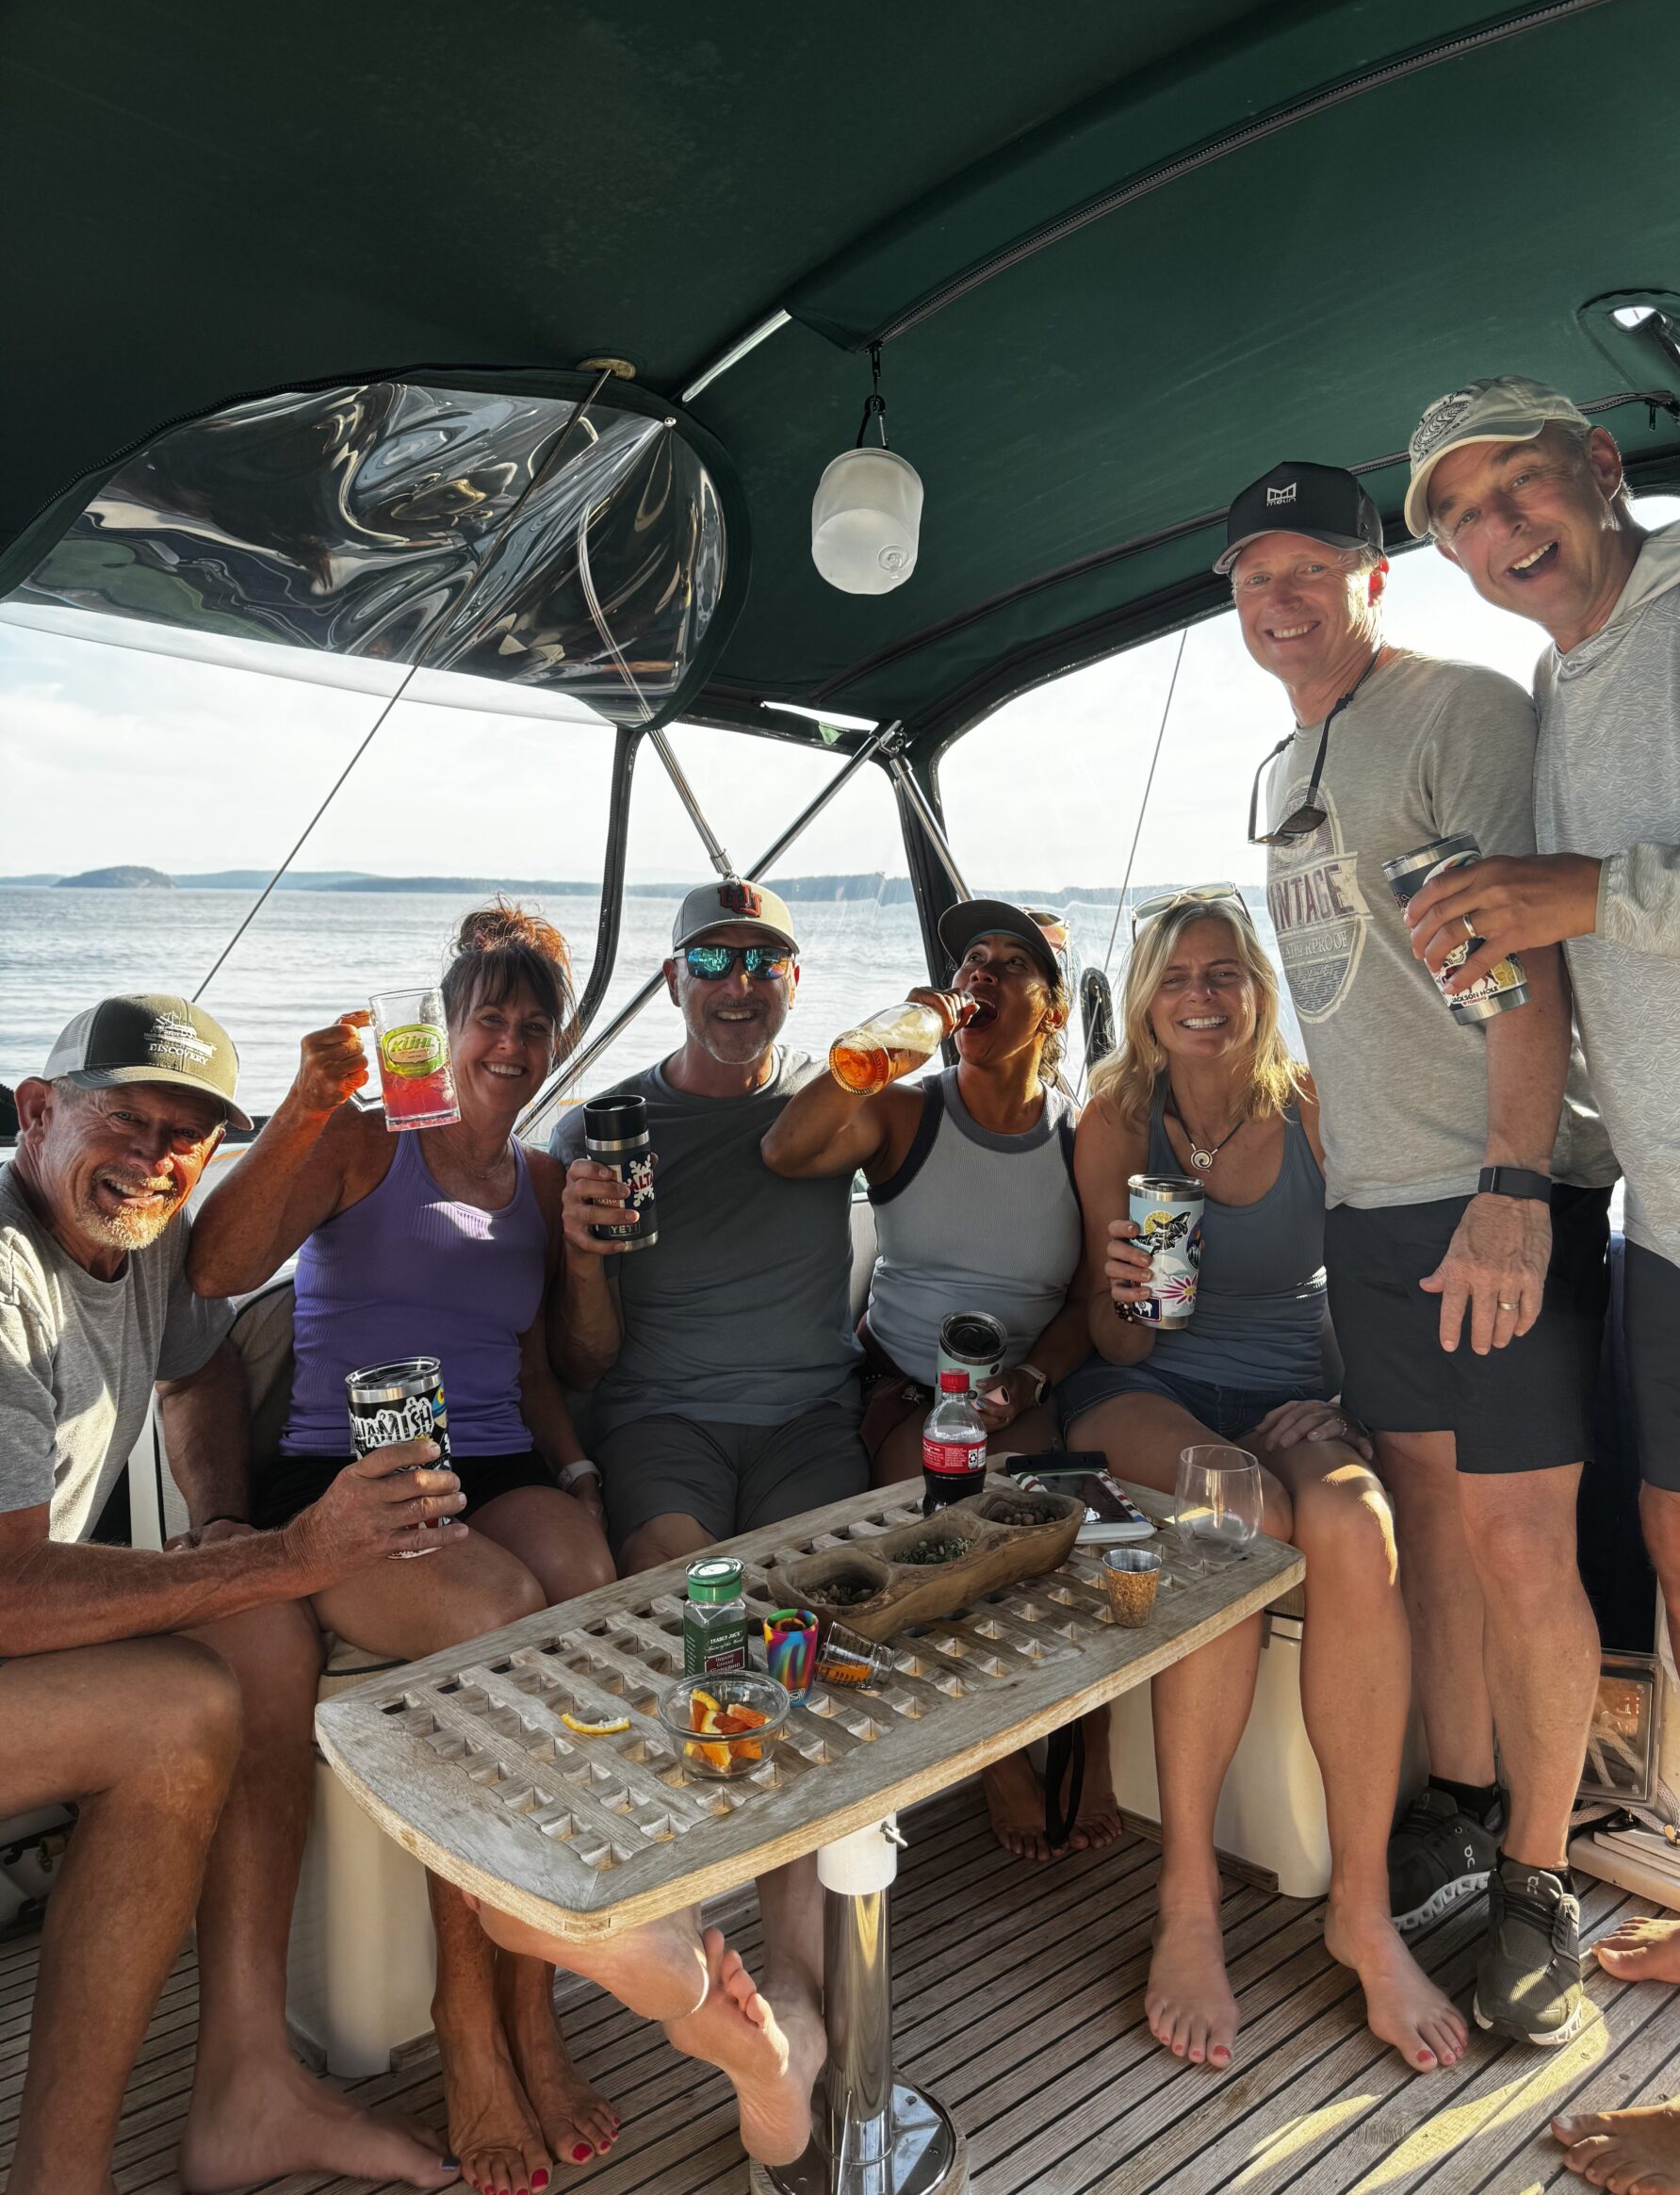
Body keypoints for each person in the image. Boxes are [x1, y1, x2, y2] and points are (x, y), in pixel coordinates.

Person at [1402, 377, 1680, 2189]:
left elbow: (1620, 898)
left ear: (1602, 471)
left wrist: (1594, 893)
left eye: (1520, 486)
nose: (1498, 531)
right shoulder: (1562, 687)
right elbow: (1586, 943)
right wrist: (1495, 950)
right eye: (1459, 517)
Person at [1225, 458, 1618, 2047]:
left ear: (1372, 576)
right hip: (1373, 1207)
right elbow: (1351, 993)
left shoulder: (1458, 710)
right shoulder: (1280, 763)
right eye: (1253, 576)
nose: (1280, 598)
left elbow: (1522, 954)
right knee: (1437, 1538)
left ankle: (1541, 1875)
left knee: (1522, 1547)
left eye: (1309, 567)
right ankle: (1459, 1803)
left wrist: (1515, 1187)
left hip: (1493, 1189)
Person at [188, 907, 622, 2194]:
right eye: (488, 1015)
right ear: (445, 1024)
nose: (510, 1041)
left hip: (492, 1460)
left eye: (533, 1022)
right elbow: (214, 1266)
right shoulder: (367, 1141)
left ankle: (531, 2001)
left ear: (555, 1044)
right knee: (497, 1613)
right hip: (350, 1470)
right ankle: (472, 2022)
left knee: (589, 1591)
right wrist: (301, 1109)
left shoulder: (539, 1181)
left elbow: (545, 1368)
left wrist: (576, 1469)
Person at [0, 993, 464, 2195]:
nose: (155, 1157)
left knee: (250, 1634)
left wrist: (220, 1525)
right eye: (125, 1118)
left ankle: (247, 2088)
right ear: (37, 1112)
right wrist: (293, 1551)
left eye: (187, 1134)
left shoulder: (140, 1243)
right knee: (177, 1715)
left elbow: (198, 1364)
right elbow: (6, 1593)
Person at [1066, 891, 1465, 2075]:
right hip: (1143, 1391)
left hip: (1295, 1391)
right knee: (1236, 1510)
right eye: (1178, 976)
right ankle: (1188, 1901)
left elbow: (1383, 1281)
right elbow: (1109, 1334)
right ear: (1148, 999)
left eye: (1225, 972)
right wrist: (1127, 1294)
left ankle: (1362, 1911)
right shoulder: (1114, 1122)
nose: (1201, 994)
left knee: (1353, 1524)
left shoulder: (1314, 1109)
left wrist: (1353, 1408)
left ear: (1260, 990)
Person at [545, 876, 869, 2169]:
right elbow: (579, 1363)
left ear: (794, 979)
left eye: (763, 960)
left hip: (806, 1420)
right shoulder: (600, 1126)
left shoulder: (839, 1108)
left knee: (799, 1632)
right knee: (692, 1600)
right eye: (714, 960)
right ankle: (682, 1930)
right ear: (674, 978)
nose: (739, 984)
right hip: (662, 1420)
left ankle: (791, 1995)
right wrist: (582, 1257)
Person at [761, 895, 1118, 1861]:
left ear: (1052, 1012)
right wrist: (886, 1043)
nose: (981, 975)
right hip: (911, 1386)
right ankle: (994, 1761)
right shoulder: (909, 1110)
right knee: (925, 1528)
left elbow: (1087, 1300)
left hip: (1020, 1390)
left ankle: (1091, 1740)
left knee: (1070, 1520)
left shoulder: (1079, 1136)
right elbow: (786, 1149)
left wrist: (1031, 1380)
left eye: (1012, 964)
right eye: (972, 961)